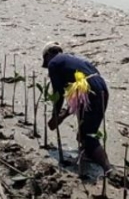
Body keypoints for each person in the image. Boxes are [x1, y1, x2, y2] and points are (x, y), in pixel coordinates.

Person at [42, 42, 119, 182]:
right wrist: (62, 116)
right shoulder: (77, 60)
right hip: (101, 88)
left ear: (48, 56)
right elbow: (77, 94)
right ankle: (88, 155)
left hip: (90, 90)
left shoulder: (54, 63)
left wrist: (55, 116)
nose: (47, 67)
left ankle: (108, 169)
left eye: (46, 63)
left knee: (87, 136)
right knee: (87, 132)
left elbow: (58, 93)